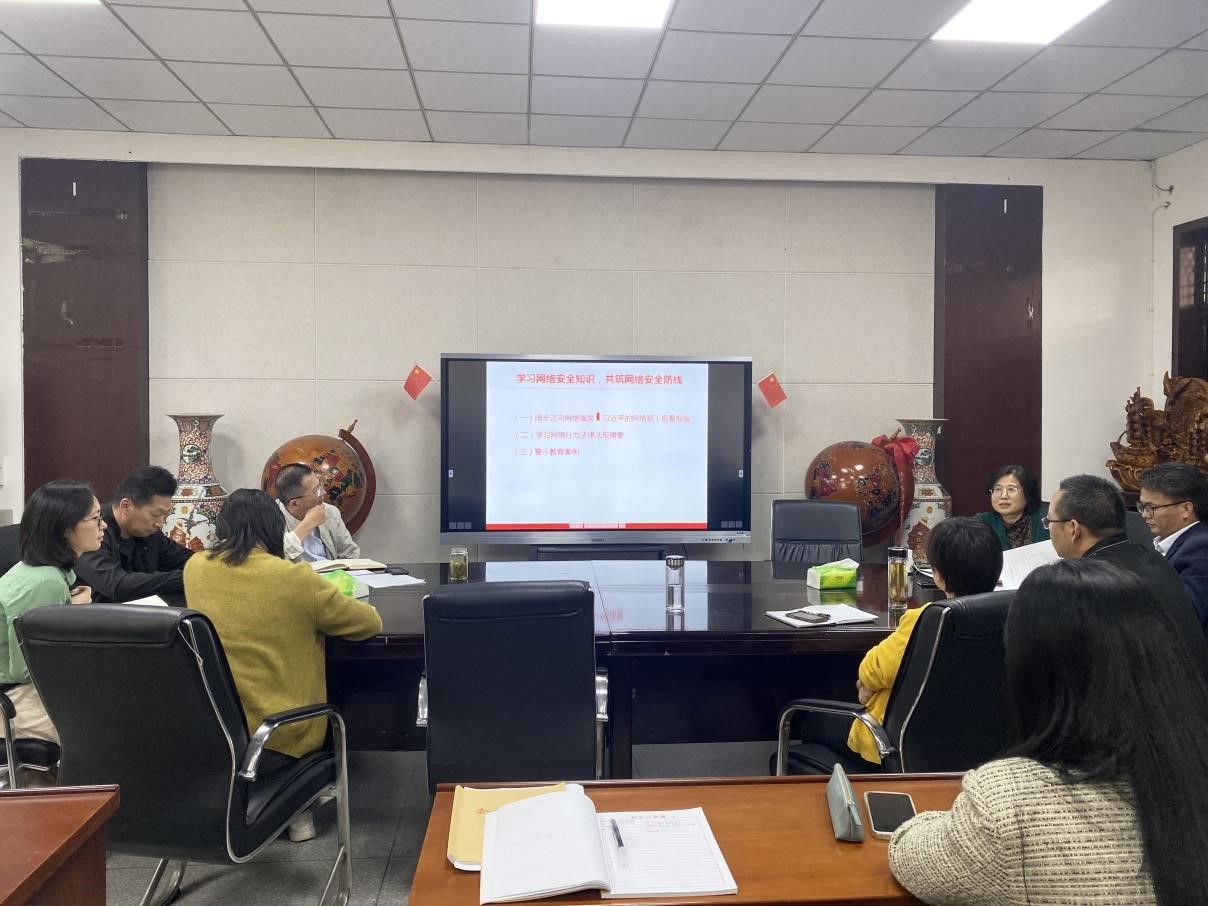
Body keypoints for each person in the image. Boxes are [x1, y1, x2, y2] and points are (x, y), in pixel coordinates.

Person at [889, 559, 1208, 904]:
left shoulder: (1007, 805)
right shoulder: (1190, 778)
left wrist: (943, 820)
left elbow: (911, 854)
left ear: (1031, 670)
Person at [183, 488, 381, 841]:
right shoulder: (293, 578)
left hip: (217, 728)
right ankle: (300, 802)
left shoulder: (195, 568)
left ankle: (295, 807)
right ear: (275, 528)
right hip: (283, 732)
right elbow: (368, 624)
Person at [847, 517, 1002, 764]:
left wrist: (865, 684)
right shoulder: (1013, 614)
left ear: (938, 575)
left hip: (901, 749)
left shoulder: (927, 619)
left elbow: (872, 671)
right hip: (984, 751)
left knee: (814, 725)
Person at [0, 481, 103, 779]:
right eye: (95, 518)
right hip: (14, 699)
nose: (104, 526)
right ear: (65, 529)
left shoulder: (45, 572)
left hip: (23, 690)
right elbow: (27, 669)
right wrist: (72, 615)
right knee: (108, 724)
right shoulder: (43, 582)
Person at [1046, 474, 1205, 659]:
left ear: (1073, 528)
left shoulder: (1086, 583)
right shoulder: (1151, 557)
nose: (1049, 528)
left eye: (1049, 522)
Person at [74, 465, 193, 603]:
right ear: (126, 506)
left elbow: (190, 561)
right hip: (100, 614)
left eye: (164, 515)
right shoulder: (91, 533)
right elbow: (118, 586)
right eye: (156, 514)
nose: (160, 523)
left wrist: (204, 567)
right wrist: (186, 577)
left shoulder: (150, 534)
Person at [1138, 462, 1208, 635]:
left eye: (1151, 508)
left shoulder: (1200, 548)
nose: (1144, 515)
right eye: (1142, 507)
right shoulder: (1164, 543)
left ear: (1186, 509)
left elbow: (1188, 616)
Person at [274, 464, 360, 563]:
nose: (323, 492)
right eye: (316, 491)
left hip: (330, 572)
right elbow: (273, 563)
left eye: (320, 485)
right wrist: (308, 524)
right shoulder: (269, 519)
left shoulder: (330, 512)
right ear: (295, 504)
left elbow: (350, 554)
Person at [974, 464, 1048, 550]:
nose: (1003, 496)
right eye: (998, 489)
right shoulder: (982, 523)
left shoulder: (1047, 520)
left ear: (1028, 494)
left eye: (1011, 489)